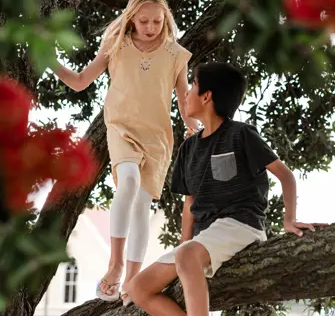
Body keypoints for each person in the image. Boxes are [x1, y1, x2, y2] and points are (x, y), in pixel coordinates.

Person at [128, 62, 317, 314]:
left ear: (207, 96)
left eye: (193, 85)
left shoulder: (241, 134)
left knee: (186, 256)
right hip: (204, 239)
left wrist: (289, 220)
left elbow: (286, 176)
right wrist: (184, 251)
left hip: (241, 225)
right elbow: (189, 205)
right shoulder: (188, 149)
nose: (185, 92)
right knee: (137, 288)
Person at [51, 0, 200, 304]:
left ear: (165, 19)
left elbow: (183, 99)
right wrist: (48, 61)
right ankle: (116, 264)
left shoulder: (176, 54)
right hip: (121, 129)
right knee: (128, 182)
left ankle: (132, 279)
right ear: (131, 18)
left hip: (158, 139)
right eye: (143, 21)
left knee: (143, 208)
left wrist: (194, 125)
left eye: (157, 22)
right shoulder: (116, 43)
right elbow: (80, 81)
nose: (150, 27)